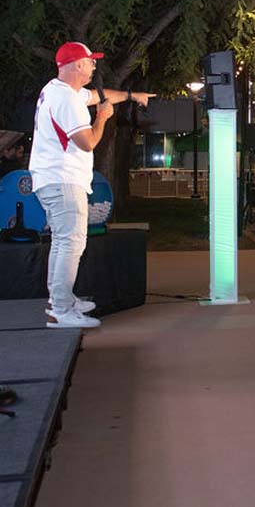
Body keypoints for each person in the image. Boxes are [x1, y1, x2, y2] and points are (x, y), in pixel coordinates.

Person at [30, 41, 153, 328]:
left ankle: (59, 300)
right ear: (75, 66)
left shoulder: (57, 90)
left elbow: (100, 95)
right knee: (70, 243)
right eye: (90, 61)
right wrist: (103, 118)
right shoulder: (67, 100)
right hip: (62, 180)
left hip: (54, 179)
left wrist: (133, 95)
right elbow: (87, 143)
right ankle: (60, 309)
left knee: (64, 243)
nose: (94, 65)